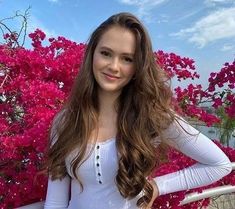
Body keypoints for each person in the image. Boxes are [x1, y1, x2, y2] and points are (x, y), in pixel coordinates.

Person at [44, 12, 232, 209]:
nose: (114, 66)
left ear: (138, 66)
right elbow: (55, 201)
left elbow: (219, 165)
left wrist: (157, 187)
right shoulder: (66, 121)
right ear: (92, 54)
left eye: (127, 59)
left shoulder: (151, 118)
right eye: (106, 53)